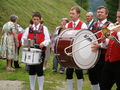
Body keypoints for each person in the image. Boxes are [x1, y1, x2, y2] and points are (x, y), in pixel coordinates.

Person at [91, 9, 120, 90]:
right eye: (117, 17)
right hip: (109, 61)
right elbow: (109, 43)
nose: (117, 19)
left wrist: (118, 32)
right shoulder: (115, 26)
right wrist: (104, 41)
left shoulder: (117, 29)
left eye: (119, 17)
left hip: (119, 62)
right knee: (103, 86)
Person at [22, 12, 50, 90]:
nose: (36, 21)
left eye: (37, 19)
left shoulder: (44, 28)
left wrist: (43, 43)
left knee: (39, 70)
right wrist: (25, 43)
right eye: (34, 19)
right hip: (30, 51)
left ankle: (40, 88)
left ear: (40, 20)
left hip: (40, 51)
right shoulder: (28, 28)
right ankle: (32, 88)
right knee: (31, 70)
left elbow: (48, 39)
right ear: (32, 19)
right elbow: (23, 38)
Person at [87, 6, 114, 90]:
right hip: (93, 56)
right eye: (98, 12)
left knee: (102, 79)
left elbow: (110, 42)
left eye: (101, 12)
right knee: (92, 78)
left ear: (106, 14)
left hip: (103, 57)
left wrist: (100, 46)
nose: (99, 13)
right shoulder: (93, 25)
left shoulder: (108, 26)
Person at [65, 6, 87, 90]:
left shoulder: (83, 25)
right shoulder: (68, 25)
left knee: (78, 71)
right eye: (70, 13)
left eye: (73, 13)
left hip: (78, 51)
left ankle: (79, 88)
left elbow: (85, 38)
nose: (71, 15)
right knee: (69, 72)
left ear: (78, 14)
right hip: (70, 51)